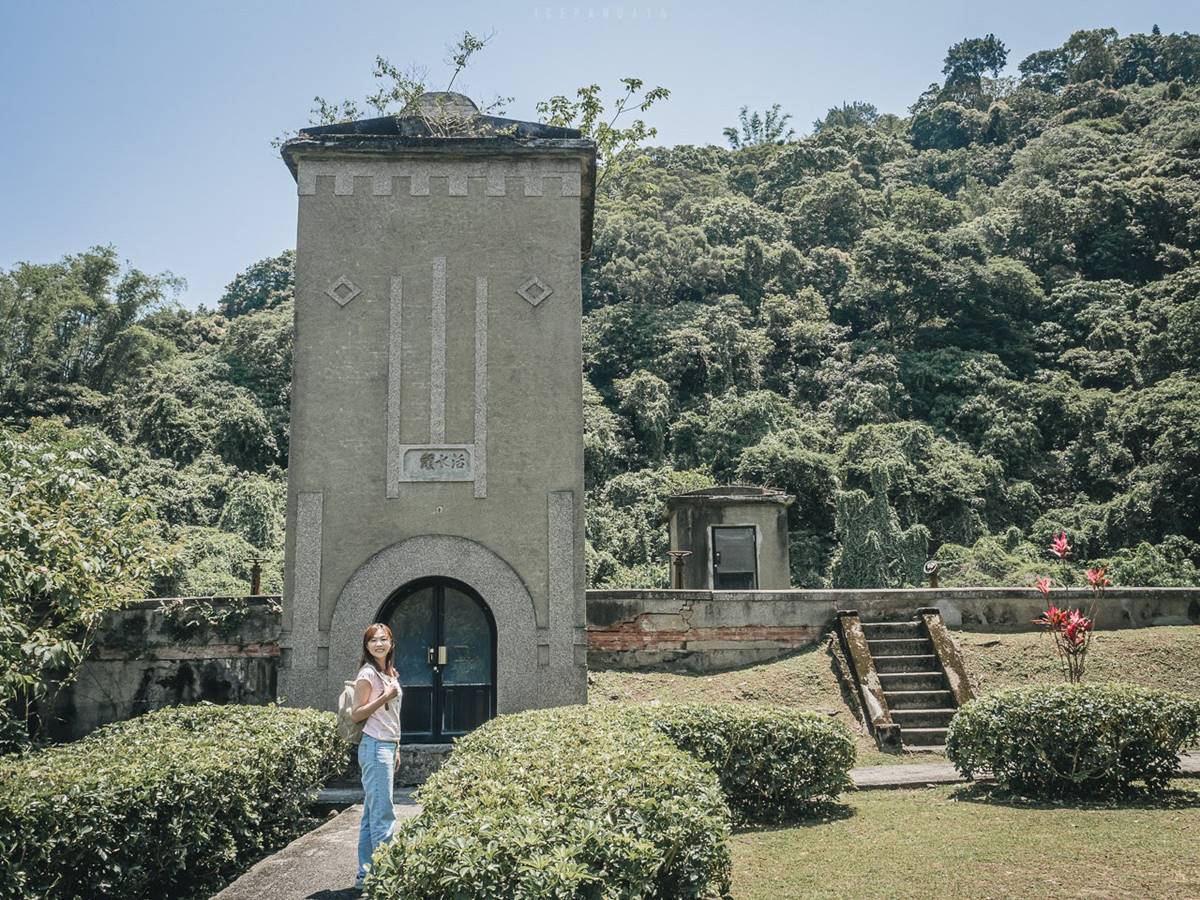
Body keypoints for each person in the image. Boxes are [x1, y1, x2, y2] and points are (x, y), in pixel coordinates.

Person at [351, 623, 402, 890]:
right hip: (374, 746)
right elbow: (356, 713)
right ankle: (384, 877)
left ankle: (365, 876)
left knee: (373, 813)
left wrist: (397, 747)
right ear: (367, 645)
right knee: (383, 814)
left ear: (391, 643)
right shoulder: (368, 675)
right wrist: (384, 697)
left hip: (386, 746)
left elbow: (392, 717)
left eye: (384, 639)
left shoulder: (388, 673)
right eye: (373, 640)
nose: (379, 644)